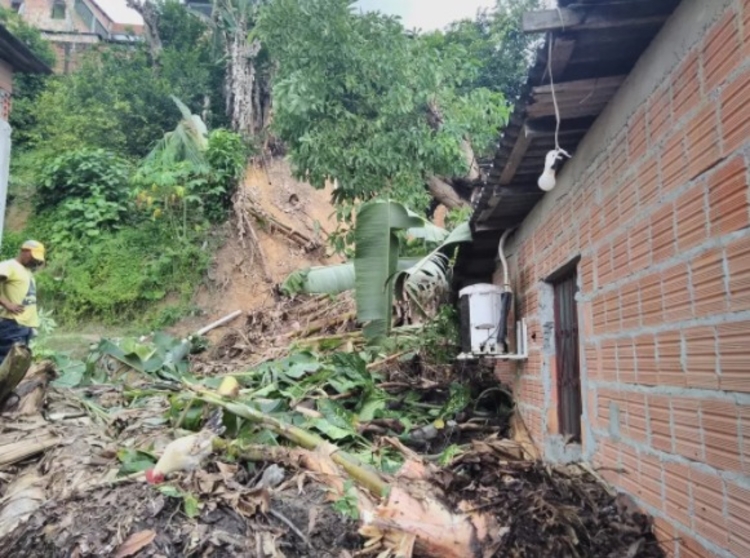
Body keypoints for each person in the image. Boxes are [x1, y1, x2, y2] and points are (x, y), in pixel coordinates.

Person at [0, 240, 45, 364]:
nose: (34, 261)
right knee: (6, 364)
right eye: (32, 257)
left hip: (24, 327)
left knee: (15, 367)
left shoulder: (26, 270)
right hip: (12, 324)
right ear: (24, 251)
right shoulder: (9, 266)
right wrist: (6, 304)